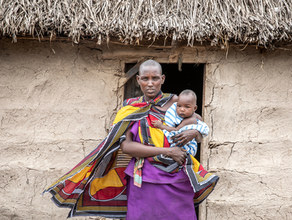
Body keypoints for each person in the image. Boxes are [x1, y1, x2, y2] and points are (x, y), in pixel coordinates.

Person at [43, 60, 219, 219]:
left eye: (155, 78)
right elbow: (126, 146)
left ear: (163, 79)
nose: (150, 84)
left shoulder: (176, 102)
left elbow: (198, 125)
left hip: (176, 176)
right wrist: (167, 151)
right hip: (143, 177)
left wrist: (193, 133)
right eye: (145, 78)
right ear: (138, 80)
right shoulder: (130, 108)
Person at [152, 89, 209, 156]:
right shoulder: (178, 115)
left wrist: (161, 126)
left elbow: (176, 130)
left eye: (187, 107)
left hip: (188, 147)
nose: (182, 109)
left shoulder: (190, 120)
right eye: (179, 106)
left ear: (195, 108)